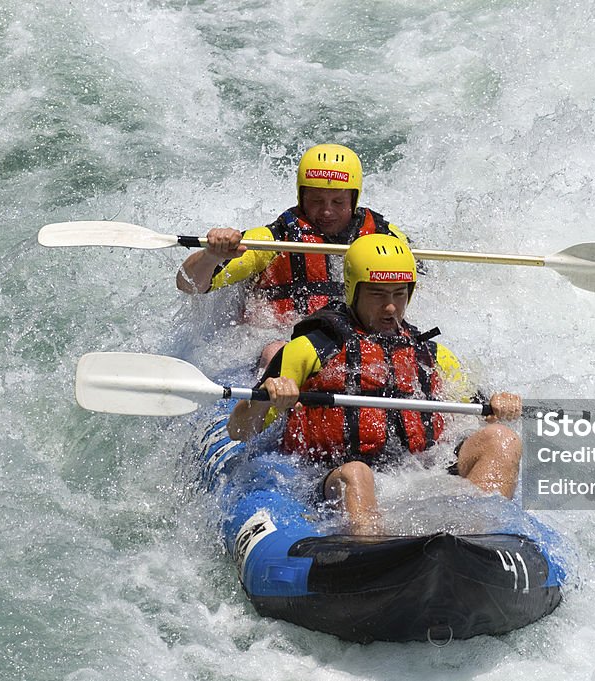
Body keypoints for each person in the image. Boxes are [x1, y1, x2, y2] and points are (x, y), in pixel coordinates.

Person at [227, 234, 523, 535]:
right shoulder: (310, 349)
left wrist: (500, 406)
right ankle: (373, 553)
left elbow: (479, 412)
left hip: (419, 473)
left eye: (399, 294)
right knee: (357, 474)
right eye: (378, 294)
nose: (391, 308)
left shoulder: (432, 355)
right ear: (353, 291)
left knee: (502, 439)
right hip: (327, 476)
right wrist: (269, 396)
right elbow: (239, 431)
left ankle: (479, 541)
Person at [176, 144, 412, 366]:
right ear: (301, 197)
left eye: (338, 201)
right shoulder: (273, 239)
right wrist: (212, 255)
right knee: (277, 354)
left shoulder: (386, 237)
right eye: (317, 200)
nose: (327, 211)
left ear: (354, 198)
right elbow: (188, 284)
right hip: (280, 340)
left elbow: (428, 286)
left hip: (352, 339)